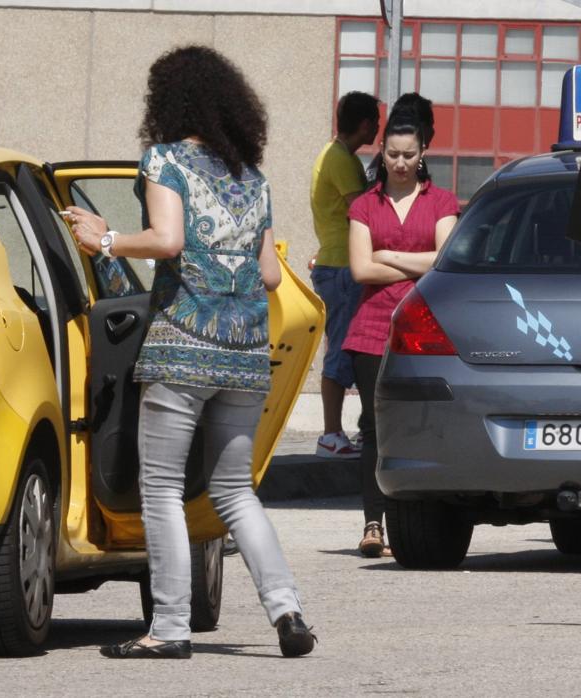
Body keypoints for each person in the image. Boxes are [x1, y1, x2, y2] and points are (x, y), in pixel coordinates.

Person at [69, 46, 315, 659]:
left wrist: (107, 241)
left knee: (160, 489)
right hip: (246, 353)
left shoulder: (165, 160)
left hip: (183, 348)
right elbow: (270, 277)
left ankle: (170, 627)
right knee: (235, 492)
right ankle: (287, 612)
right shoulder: (251, 178)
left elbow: (169, 239)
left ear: (169, 101)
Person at [345, 114, 458, 557]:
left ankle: (417, 519)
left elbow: (443, 260)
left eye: (409, 155)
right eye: (392, 154)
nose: (400, 162)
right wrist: (417, 259)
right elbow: (360, 270)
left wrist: (388, 253)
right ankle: (374, 524)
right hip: (373, 328)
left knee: (424, 424)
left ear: (423, 154)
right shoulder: (364, 205)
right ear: (382, 153)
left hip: (427, 327)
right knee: (374, 428)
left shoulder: (442, 201)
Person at [311, 91, 380, 459]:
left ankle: (336, 432)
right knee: (340, 349)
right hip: (341, 267)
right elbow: (363, 212)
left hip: (335, 263)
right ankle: (330, 434)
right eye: (377, 124)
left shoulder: (335, 155)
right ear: (366, 124)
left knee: (343, 348)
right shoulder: (342, 161)